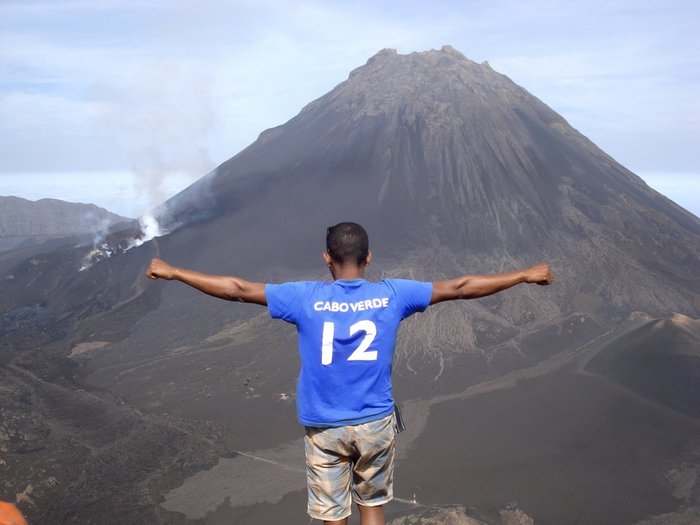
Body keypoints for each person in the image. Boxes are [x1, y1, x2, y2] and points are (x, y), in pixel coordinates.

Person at [147, 222, 553, 525]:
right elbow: (462, 286)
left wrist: (175, 271)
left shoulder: (304, 297)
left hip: (324, 426)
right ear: (368, 258)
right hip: (375, 421)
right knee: (372, 507)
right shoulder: (394, 294)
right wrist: (523, 274)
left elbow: (236, 288)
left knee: (331, 513)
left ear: (327, 258)